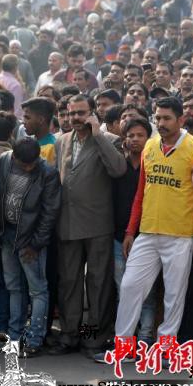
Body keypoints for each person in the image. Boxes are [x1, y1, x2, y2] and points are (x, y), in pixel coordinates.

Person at [111, 97, 193, 359]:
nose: (162, 123)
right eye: (158, 118)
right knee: (130, 286)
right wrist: (131, 231)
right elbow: (140, 194)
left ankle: (166, 350)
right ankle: (123, 347)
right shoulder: (150, 147)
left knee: (174, 296)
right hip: (147, 231)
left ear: (181, 120)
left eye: (167, 118)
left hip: (180, 235)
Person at [49, 94, 126, 358]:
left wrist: (99, 135)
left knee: (98, 283)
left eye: (81, 113)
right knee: (68, 282)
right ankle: (69, 336)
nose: (75, 119)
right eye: (71, 114)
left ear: (93, 114)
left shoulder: (110, 140)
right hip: (67, 224)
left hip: (97, 224)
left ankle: (94, 340)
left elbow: (118, 169)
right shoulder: (61, 141)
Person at [0, 138, 61, 356]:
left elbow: (49, 213)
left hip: (31, 240)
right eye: (24, 165)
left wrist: (36, 244)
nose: (29, 168)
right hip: (7, 236)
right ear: (14, 157)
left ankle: (34, 339)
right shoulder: (4, 161)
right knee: (13, 288)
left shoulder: (47, 172)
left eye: (33, 163)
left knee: (38, 290)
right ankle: (14, 339)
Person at [110, 118, 158, 349]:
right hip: (119, 237)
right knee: (123, 291)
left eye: (140, 135)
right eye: (130, 135)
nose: (135, 139)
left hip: (147, 237)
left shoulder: (154, 165)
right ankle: (125, 341)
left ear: (149, 138)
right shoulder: (118, 166)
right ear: (124, 139)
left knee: (146, 294)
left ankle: (146, 338)